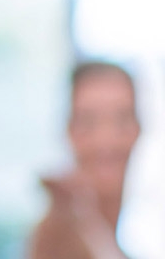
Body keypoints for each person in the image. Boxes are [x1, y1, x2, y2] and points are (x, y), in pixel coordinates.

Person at [29, 61, 141, 259]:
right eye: (88, 121)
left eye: (122, 118)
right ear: (69, 130)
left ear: (139, 128)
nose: (106, 140)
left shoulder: (120, 237)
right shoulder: (55, 239)